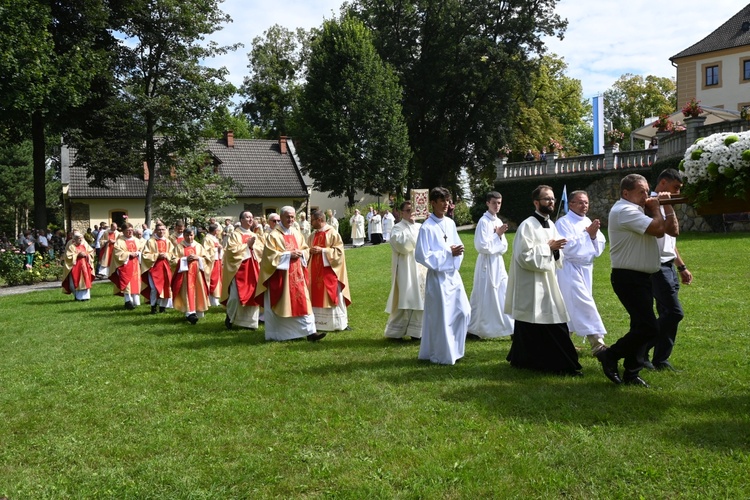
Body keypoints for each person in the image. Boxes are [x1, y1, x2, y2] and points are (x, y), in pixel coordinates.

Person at [596, 173, 676, 387]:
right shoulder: (625, 211)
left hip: (642, 277)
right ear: (625, 193)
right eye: (641, 192)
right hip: (628, 277)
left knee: (640, 325)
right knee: (650, 328)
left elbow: (672, 230)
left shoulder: (638, 209)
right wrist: (657, 207)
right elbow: (659, 230)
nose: (646, 195)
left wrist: (666, 205)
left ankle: (632, 373)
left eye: (647, 190)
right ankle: (610, 355)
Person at [504, 185, 582, 376]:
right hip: (531, 283)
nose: (551, 202)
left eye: (553, 199)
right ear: (536, 202)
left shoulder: (552, 224)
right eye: (547, 199)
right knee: (536, 322)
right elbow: (524, 256)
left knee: (548, 320)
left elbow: (557, 256)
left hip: (547, 280)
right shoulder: (527, 225)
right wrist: (549, 248)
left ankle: (526, 360)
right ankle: (563, 364)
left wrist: (555, 250)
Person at [415, 187, 471, 365]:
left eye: (448, 201)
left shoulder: (450, 223)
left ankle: (455, 349)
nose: (446, 204)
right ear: (433, 203)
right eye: (442, 201)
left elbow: (457, 245)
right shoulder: (427, 227)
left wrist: (457, 252)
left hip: (453, 276)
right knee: (442, 317)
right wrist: (448, 253)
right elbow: (422, 255)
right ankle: (442, 355)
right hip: (438, 278)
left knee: (464, 311)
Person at [255, 206, 325, 342]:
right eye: (288, 217)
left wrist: (302, 253)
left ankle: (311, 332)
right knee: (285, 304)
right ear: (281, 217)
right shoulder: (274, 235)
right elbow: (269, 257)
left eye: (293, 217)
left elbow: (305, 248)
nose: (291, 219)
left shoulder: (296, 233)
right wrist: (288, 255)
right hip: (282, 277)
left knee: (303, 302)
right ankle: (281, 334)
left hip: (297, 275)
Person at [646, 169, 692, 371]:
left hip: (668, 265)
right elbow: (672, 230)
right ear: (663, 183)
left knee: (667, 313)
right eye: (675, 188)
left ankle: (660, 359)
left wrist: (681, 266)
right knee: (674, 313)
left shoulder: (666, 203)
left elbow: (671, 241)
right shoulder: (649, 204)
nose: (677, 192)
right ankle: (639, 347)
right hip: (655, 265)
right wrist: (669, 205)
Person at [554, 190, 608, 355]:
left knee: (572, 306)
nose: (584, 205)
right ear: (570, 204)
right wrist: (588, 235)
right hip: (570, 269)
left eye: (586, 202)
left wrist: (591, 237)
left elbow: (599, 245)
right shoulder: (563, 222)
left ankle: (563, 343)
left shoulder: (588, 221)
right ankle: (598, 344)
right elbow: (566, 247)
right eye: (580, 202)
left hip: (586, 268)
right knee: (584, 303)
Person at [467, 191, 514, 340]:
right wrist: (496, 235)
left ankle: (511, 327)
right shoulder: (483, 222)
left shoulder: (498, 221)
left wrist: (498, 237)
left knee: (504, 292)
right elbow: (481, 246)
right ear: (487, 203)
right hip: (486, 264)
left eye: (499, 203)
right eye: (494, 203)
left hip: (497, 263)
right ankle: (475, 329)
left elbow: (505, 246)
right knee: (484, 294)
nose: (496, 206)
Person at [384, 201, 426, 340]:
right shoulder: (397, 228)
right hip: (406, 268)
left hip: (421, 267)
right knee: (406, 297)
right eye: (408, 210)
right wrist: (417, 235)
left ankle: (417, 332)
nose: (411, 213)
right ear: (401, 213)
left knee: (421, 298)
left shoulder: (421, 226)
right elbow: (401, 245)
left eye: (413, 210)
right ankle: (396, 332)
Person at [308, 209, 351, 332]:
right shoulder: (312, 235)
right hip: (315, 272)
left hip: (329, 272)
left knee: (333, 295)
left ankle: (337, 323)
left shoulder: (332, 233)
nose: (311, 223)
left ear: (319, 220)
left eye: (312, 220)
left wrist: (322, 251)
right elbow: (306, 250)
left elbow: (339, 252)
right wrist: (309, 251)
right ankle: (317, 323)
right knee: (314, 294)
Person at [221, 211, 264, 330]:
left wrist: (253, 247)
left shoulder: (254, 235)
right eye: (247, 217)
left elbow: (261, 250)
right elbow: (231, 251)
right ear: (241, 220)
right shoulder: (235, 234)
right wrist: (247, 246)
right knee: (235, 296)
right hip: (239, 269)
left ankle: (250, 323)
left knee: (252, 296)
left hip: (253, 270)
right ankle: (230, 317)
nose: (250, 219)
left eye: (251, 217)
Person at [171, 228, 210, 324]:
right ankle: (190, 313)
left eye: (191, 235)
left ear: (194, 235)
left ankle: (198, 310)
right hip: (185, 276)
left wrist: (199, 258)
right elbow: (172, 261)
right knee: (187, 292)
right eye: (187, 235)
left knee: (198, 291)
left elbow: (207, 259)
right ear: (184, 236)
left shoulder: (198, 246)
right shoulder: (179, 247)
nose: (189, 237)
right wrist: (184, 260)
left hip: (197, 275)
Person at [140, 222, 175, 314]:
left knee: (166, 287)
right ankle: (153, 306)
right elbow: (145, 255)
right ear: (155, 230)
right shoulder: (150, 241)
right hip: (154, 268)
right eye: (159, 229)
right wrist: (157, 255)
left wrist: (166, 255)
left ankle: (163, 307)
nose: (161, 231)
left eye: (163, 229)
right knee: (154, 288)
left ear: (165, 230)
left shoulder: (168, 241)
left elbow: (173, 254)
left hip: (166, 267)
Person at [108, 222, 145, 309]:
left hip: (136, 264)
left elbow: (142, 249)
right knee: (127, 284)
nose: (130, 232)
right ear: (123, 231)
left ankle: (136, 301)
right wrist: (128, 254)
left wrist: (138, 253)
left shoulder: (136, 240)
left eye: (131, 230)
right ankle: (128, 302)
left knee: (136, 282)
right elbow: (117, 253)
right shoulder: (119, 241)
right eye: (128, 231)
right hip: (125, 266)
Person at [61, 231, 95, 301]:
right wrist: (78, 255)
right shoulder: (71, 246)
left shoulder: (84, 244)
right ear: (75, 239)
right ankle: (78, 297)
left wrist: (87, 254)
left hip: (85, 266)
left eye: (81, 238)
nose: (81, 240)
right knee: (76, 281)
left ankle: (86, 297)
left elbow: (91, 252)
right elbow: (68, 256)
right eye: (79, 238)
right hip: (76, 267)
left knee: (85, 281)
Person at [203, 223, 224, 307]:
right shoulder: (207, 238)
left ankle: (216, 298)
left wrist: (220, 249)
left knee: (218, 278)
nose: (219, 232)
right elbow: (205, 250)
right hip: (211, 261)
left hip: (217, 259)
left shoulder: (215, 238)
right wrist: (216, 248)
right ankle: (212, 299)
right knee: (213, 278)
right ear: (215, 231)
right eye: (218, 230)